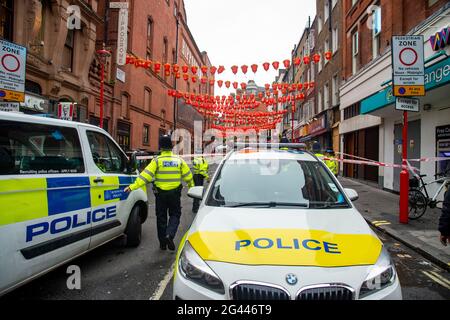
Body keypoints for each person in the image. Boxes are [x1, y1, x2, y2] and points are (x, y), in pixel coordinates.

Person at [124, 135, 194, 251]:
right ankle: (169, 235)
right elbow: (188, 177)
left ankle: (162, 243)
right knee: (175, 215)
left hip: (160, 195)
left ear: (161, 147)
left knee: (161, 218)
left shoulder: (156, 161)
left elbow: (145, 176)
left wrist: (132, 187)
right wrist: (192, 187)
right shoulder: (179, 160)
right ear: (171, 147)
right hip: (174, 195)